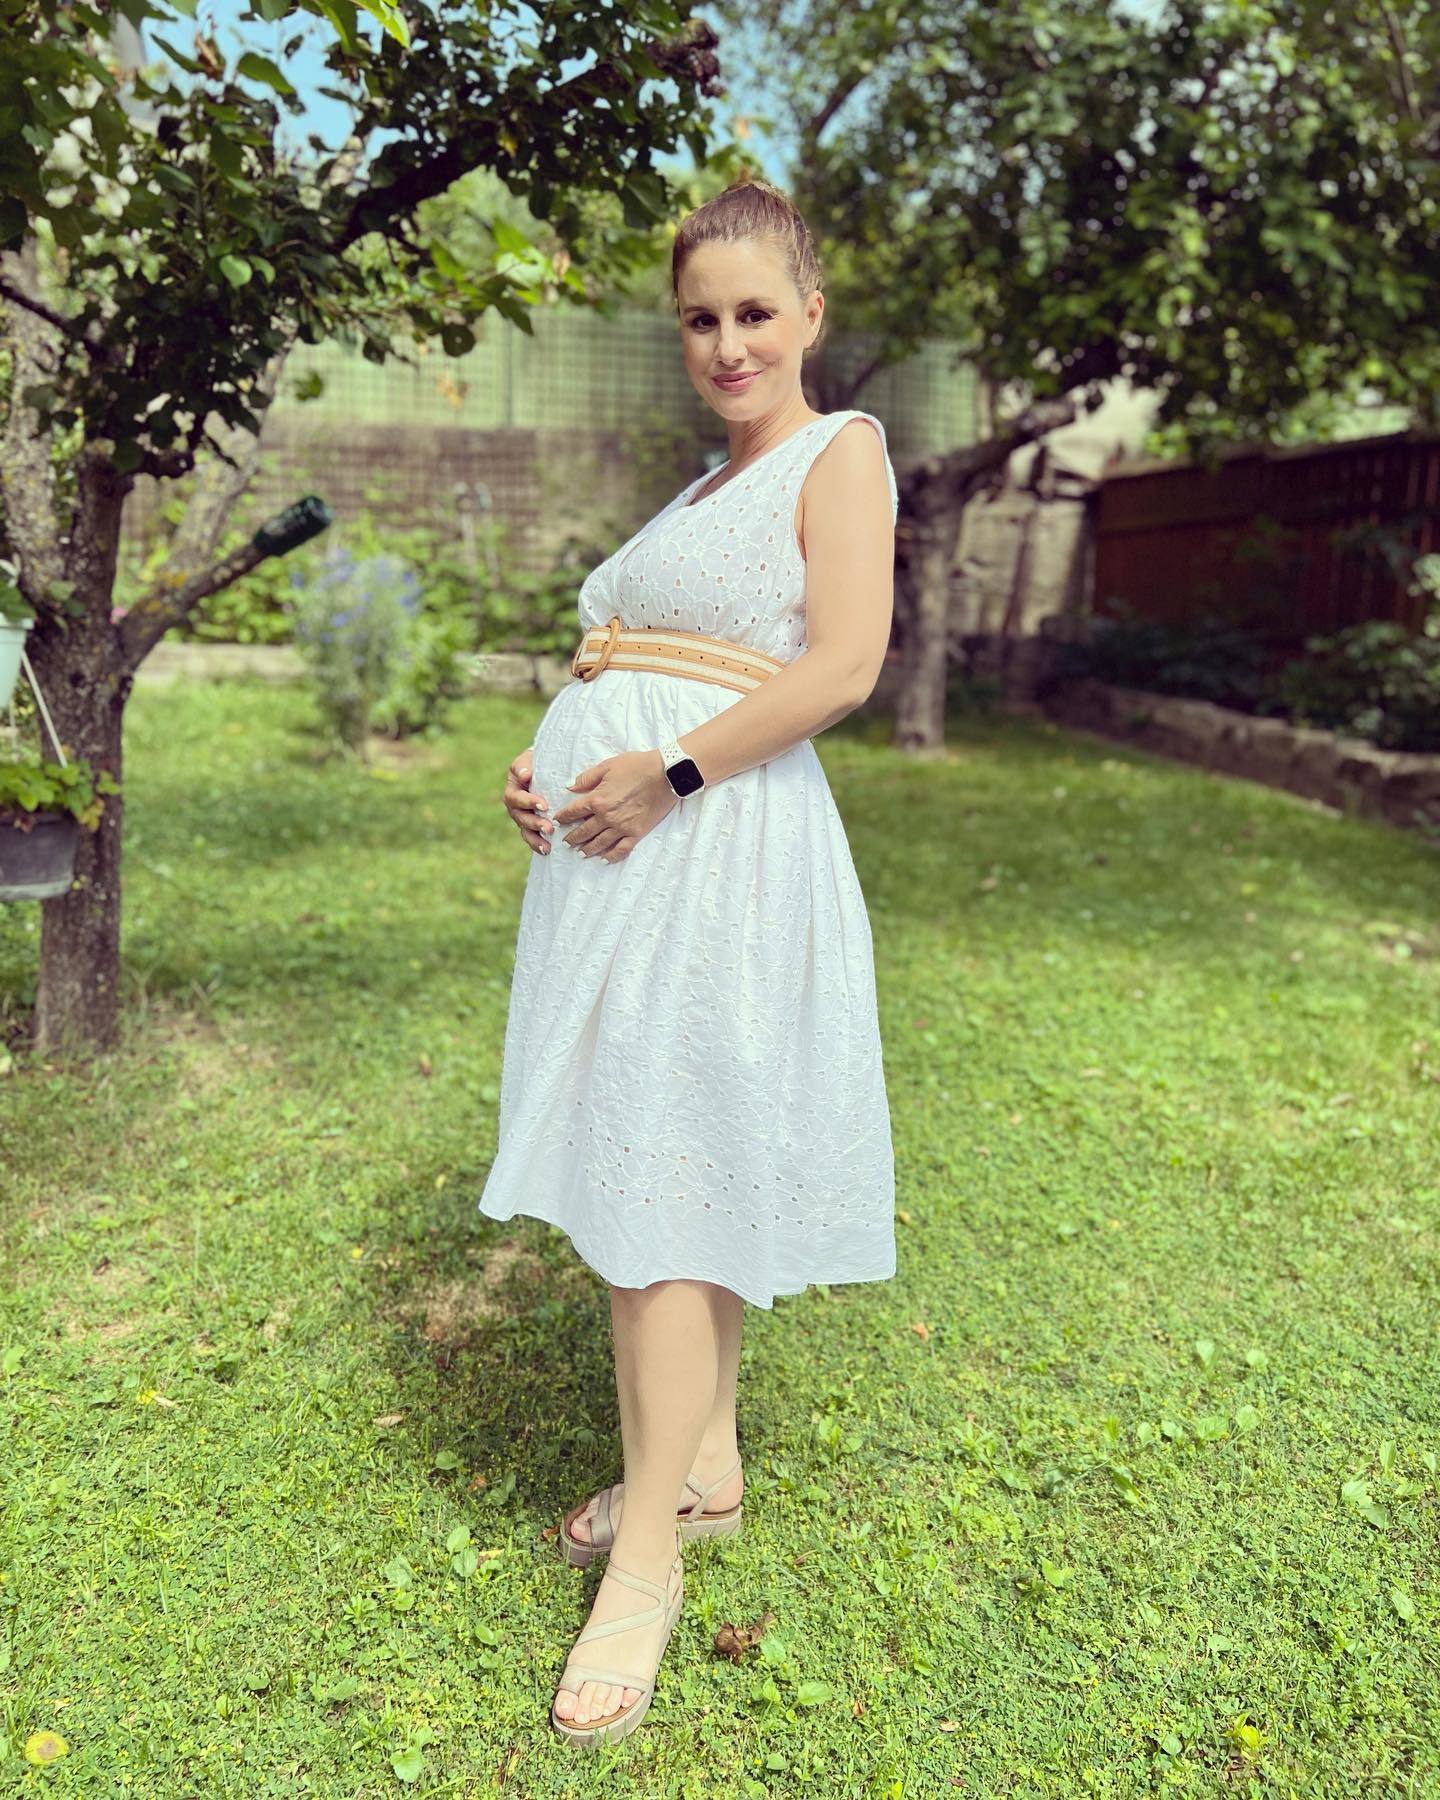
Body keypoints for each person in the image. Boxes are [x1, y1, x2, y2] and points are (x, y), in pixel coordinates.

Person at [478, 176, 899, 1746]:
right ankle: (702, 1469)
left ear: (810, 313)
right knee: (656, 1164)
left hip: (711, 852)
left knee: (657, 1189)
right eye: (702, 319)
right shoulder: (699, 487)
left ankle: (647, 1563)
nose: (730, 344)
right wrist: (548, 767)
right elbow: (630, 664)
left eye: (756, 313)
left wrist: (663, 774)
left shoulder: (837, 453)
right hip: (620, 861)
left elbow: (844, 663)